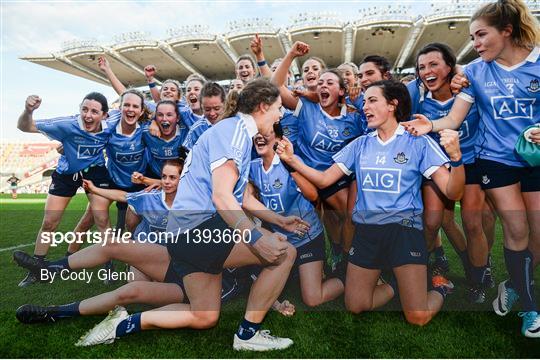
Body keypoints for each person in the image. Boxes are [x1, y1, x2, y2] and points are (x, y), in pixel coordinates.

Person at [402, 0, 540, 337]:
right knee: (516, 228)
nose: (476, 43)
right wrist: (429, 125)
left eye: (481, 35)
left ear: (507, 30)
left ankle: (511, 285)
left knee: (536, 234)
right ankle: (529, 306)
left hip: (533, 159)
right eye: (472, 37)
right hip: (496, 160)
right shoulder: (475, 72)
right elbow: (452, 118)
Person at [276, 79, 463, 326]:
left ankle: (440, 288)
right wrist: (292, 160)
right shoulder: (361, 144)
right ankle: (397, 284)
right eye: (364, 102)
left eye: (372, 100)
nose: (365, 107)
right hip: (367, 234)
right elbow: (323, 180)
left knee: (418, 317)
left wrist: (456, 158)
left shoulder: (417, 141)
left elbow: (453, 192)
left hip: (404, 232)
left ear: (392, 105)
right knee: (355, 305)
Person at [16, 92, 117, 287]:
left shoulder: (113, 122)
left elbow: (135, 106)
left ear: (104, 115)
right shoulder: (66, 124)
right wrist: (28, 110)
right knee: (49, 222)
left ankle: (108, 263)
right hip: (66, 172)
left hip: (95, 172)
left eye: (94, 111)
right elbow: (25, 126)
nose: (88, 115)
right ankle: (37, 268)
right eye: (84, 109)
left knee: (102, 219)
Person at [408, 43, 484, 301]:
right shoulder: (417, 96)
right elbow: (388, 93)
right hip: (436, 168)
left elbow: (473, 69)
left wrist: (461, 71)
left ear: (450, 67)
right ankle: (427, 272)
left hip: (470, 162)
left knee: (473, 224)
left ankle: (478, 279)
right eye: (421, 67)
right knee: (432, 223)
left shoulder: (467, 89)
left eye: (433, 64)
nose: (426, 71)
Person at [250, 129, 344, 307]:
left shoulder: (290, 162)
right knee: (260, 281)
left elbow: (313, 195)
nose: (259, 137)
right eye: (256, 134)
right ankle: (297, 271)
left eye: (265, 133)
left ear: (279, 139)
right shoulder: (253, 167)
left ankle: (350, 278)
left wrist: (290, 166)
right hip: (280, 240)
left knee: (312, 298)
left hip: (305, 237)